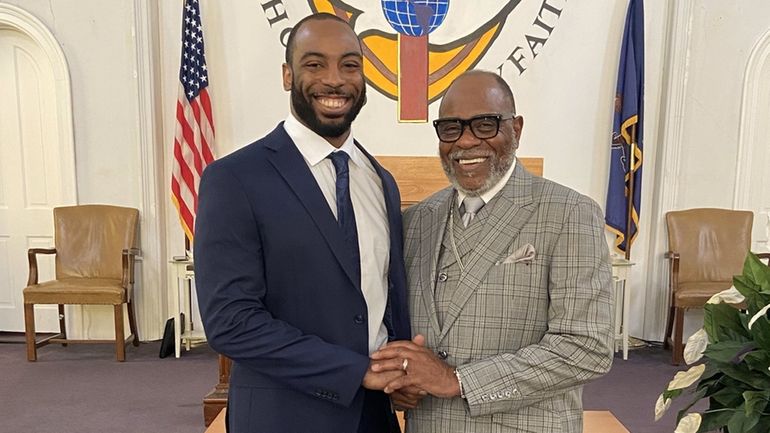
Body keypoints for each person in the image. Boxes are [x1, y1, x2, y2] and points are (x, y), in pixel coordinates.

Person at [194, 13, 410, 433]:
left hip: (375, 418)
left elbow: (383, 298)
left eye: (349, 65)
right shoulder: (234, 178)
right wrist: (353, 371)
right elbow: (230, 323)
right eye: (315, 64)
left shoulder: (379, 180)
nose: (335, 80)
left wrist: (402, 365)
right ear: (288, 75)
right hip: (283, 417)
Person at [370, 70, 614, 432]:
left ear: (515, 128)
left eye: (485, 125)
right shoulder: (418, 219)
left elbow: (587, 348)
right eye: (451, 128)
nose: (466, 142)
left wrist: (459, 380)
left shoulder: (569, 213)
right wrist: (399, 380)